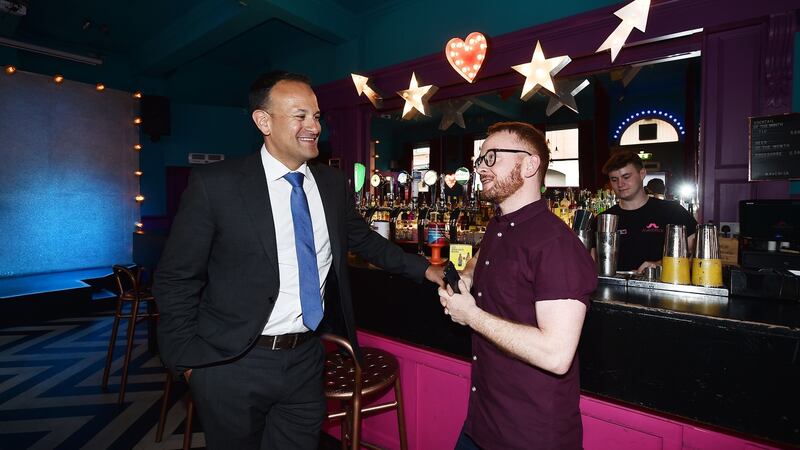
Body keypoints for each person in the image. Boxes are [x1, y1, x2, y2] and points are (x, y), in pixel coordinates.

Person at [153, 71, 445, 450]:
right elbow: (177, 278)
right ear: (263, 122)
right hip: (232, 363)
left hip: (307, 358)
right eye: (300, 116)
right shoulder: (217, 184)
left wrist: (425, 269)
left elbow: (364, 241)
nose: (314, 127)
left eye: (317, 116)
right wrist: (187, 363)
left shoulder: (330, 183)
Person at [438, 122, 597, 450]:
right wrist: (467, 276)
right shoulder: (499, 226)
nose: (481, 167)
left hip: (530, 434)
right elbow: (480, 257)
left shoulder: (557, 245)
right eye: (480, 159)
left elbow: (557, 354)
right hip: (482, 422)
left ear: (530, 164)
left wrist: (471, 316)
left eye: (492, 157)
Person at [595, 150, 697, 272]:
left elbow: (697, 252)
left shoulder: (672, 211)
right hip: (613, 289)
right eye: (614, 179)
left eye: (626, 177)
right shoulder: (604, 219)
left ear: (642, 173)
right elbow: (591, 262)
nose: (620, 184)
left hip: (661, 288)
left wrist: (660, 265)